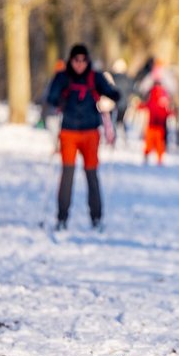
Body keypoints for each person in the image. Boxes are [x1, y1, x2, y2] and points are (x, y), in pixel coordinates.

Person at [45, 43, 121, 231]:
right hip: (69, 132)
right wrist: (59, 98)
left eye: (83, 60)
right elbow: (51, 97)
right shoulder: (63, 77)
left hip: (90, 132)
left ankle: (96, 218)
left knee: (92, 176)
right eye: (76, 60)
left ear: (88, 61)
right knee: (67, 175)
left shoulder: (95, 77)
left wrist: (116, 95)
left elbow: (110, 92)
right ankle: (62, 218)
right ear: (71, 61)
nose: (79, 64)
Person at [139, 78, 173, 165]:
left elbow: (146, 105)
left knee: (152, 142)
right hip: (158, 125)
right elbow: (166, 111)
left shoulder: (152, 95)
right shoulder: (162, 96)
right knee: (157, 143)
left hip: (154, 124)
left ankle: (151, 156)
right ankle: (158, 158)